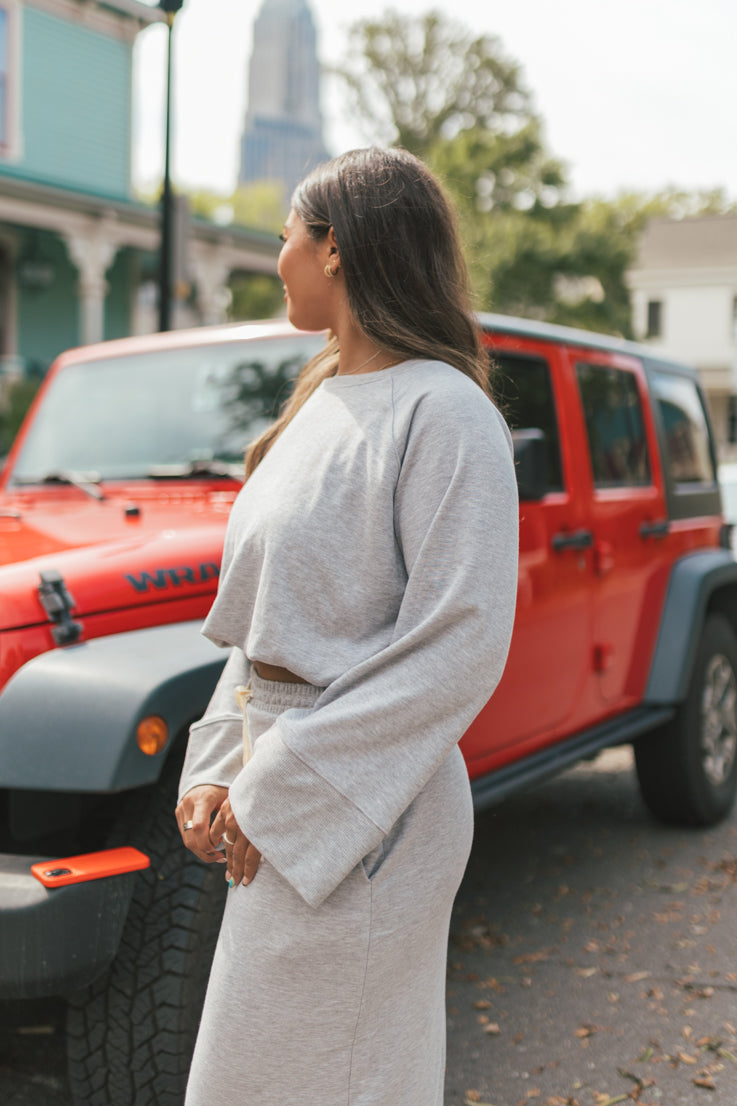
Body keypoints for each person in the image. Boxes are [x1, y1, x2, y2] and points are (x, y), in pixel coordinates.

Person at [175, 146, 518, 1106]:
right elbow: (260, 626)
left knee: (342, 1074)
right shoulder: (316, 406)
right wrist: (216, 765)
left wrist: (273, 790)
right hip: (284, 781)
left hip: (372, 804)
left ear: (333, 248)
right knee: (261, 1073)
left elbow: (460, 642)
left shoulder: (446, 413)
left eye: (286, 233)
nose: (274, 254)